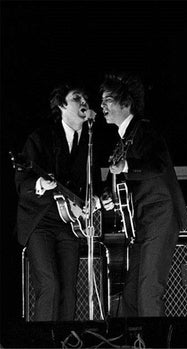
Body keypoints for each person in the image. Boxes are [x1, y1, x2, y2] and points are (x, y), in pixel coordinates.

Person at [100, 72, 187, 317]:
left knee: (149, 290)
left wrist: (126, 167)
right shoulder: (120, 142)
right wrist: (108, 197)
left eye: (108, 100)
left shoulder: (146, 130)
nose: (102, 106)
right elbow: (116, 184)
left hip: (160, 215)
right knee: (130, 295)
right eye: (102, 101)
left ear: (126, 103)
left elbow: (157, 165)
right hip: (140, 223)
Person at [14, 83, 100, 321]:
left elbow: (93, 183)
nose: (83, 101)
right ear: (62, 105)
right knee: (49, 284)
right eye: (76, 98)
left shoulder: (89, 139)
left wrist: (91, 201)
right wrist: (41, 185)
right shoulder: (40, 137)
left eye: (85, 97)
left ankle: (67, 341)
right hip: (40, 220)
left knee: (69, 291)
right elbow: (22, 181)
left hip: (70, 225)